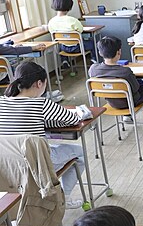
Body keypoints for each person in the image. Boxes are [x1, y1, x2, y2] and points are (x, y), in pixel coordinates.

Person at [0, 62, 85, 209]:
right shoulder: (41, 104)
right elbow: (72, 119)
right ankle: (63, 199)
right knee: (80, 153)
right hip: (38, 166)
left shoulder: (1, 102)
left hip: (8, 167)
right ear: (39, 83)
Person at [89, 36, 143, 123]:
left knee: (122, 90)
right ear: (119, 52)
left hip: (111, 102)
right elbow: (136, 88)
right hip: (131, 102)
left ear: (100, 53)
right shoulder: (125, 72)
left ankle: (127, 117)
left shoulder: (93, 69)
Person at [47, 0, 94, 67]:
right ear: (69, 7)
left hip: (62, 49)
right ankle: (94, 61)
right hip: (77, 47)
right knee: (93, 43)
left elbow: (52, 33)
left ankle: (64, 61)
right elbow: (80, 30)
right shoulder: (73, 20)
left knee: (61, 42)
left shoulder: (51, 22)